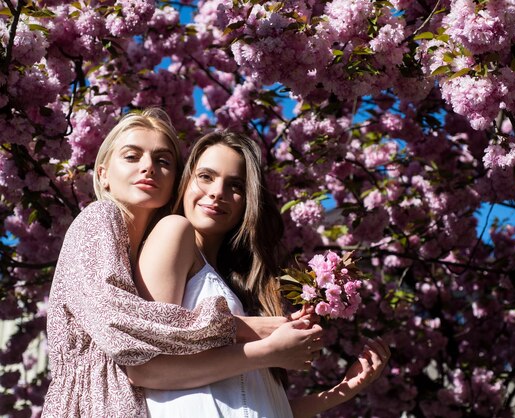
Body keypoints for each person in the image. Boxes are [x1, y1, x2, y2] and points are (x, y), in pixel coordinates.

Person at [43, 109, 312, 418]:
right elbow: (118, 320)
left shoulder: (141, 248)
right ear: (103, 174)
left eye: (163, 161)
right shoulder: (99, 218)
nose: (148, 168)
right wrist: (245, 329)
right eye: (132, 157)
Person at [128, 131, 391, 417]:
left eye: (235, 185)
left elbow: (253, 400)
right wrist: (268, 351)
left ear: (247, 201)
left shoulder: (241, 284)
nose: (218, 192)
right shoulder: (174, 230)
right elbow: (146, 368)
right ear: (185, 181)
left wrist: (342, 390)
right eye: (206, 176)